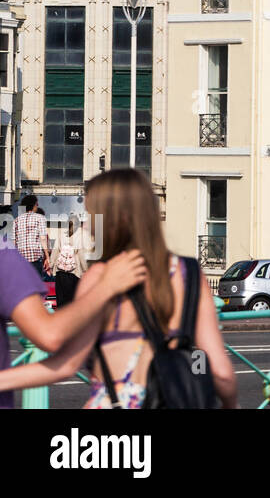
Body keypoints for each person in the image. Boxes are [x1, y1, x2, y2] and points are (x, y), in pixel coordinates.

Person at [0, 169, 237, 409]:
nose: (89, 223)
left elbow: (65, 365)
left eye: (93, 214)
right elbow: (222, 373)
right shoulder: (188, 273)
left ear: (112, 219)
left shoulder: (101, 278)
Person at [0, 233, 148, 410]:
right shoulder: (4, 253)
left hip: (63, 273)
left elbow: (66, 362)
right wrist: (105, 287)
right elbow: (50, 336)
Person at [51, 213, 92, 308]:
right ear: (78, 224)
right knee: (73, 302)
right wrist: (86, 269)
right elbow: (82, 255)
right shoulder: (82, 235)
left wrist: (51, 265)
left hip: (60, 272)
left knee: (61, 302)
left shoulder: (61, 234)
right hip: (75, 273)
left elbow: (55, 250)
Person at [14, 195, 50, 278]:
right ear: (33, 205)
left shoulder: (17, 220)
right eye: (37, 204)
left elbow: (15, 242)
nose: (37, 206)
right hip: (35, 258)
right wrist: (47, 257)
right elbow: (43, 238)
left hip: (21, 259)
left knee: (24, 285)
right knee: (36, 285)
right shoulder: (39, 218)